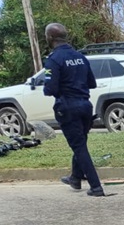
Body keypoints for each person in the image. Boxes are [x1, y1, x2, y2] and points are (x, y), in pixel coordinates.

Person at [43, 23, 104, 196]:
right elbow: (91, 83)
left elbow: (51, 90)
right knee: (80, 143)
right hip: (85, 106)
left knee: (79, 147)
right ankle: (75, 178)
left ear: (50, 38)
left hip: (67, 107)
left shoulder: (53, 60)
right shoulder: (80, 57)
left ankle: (96, 186)